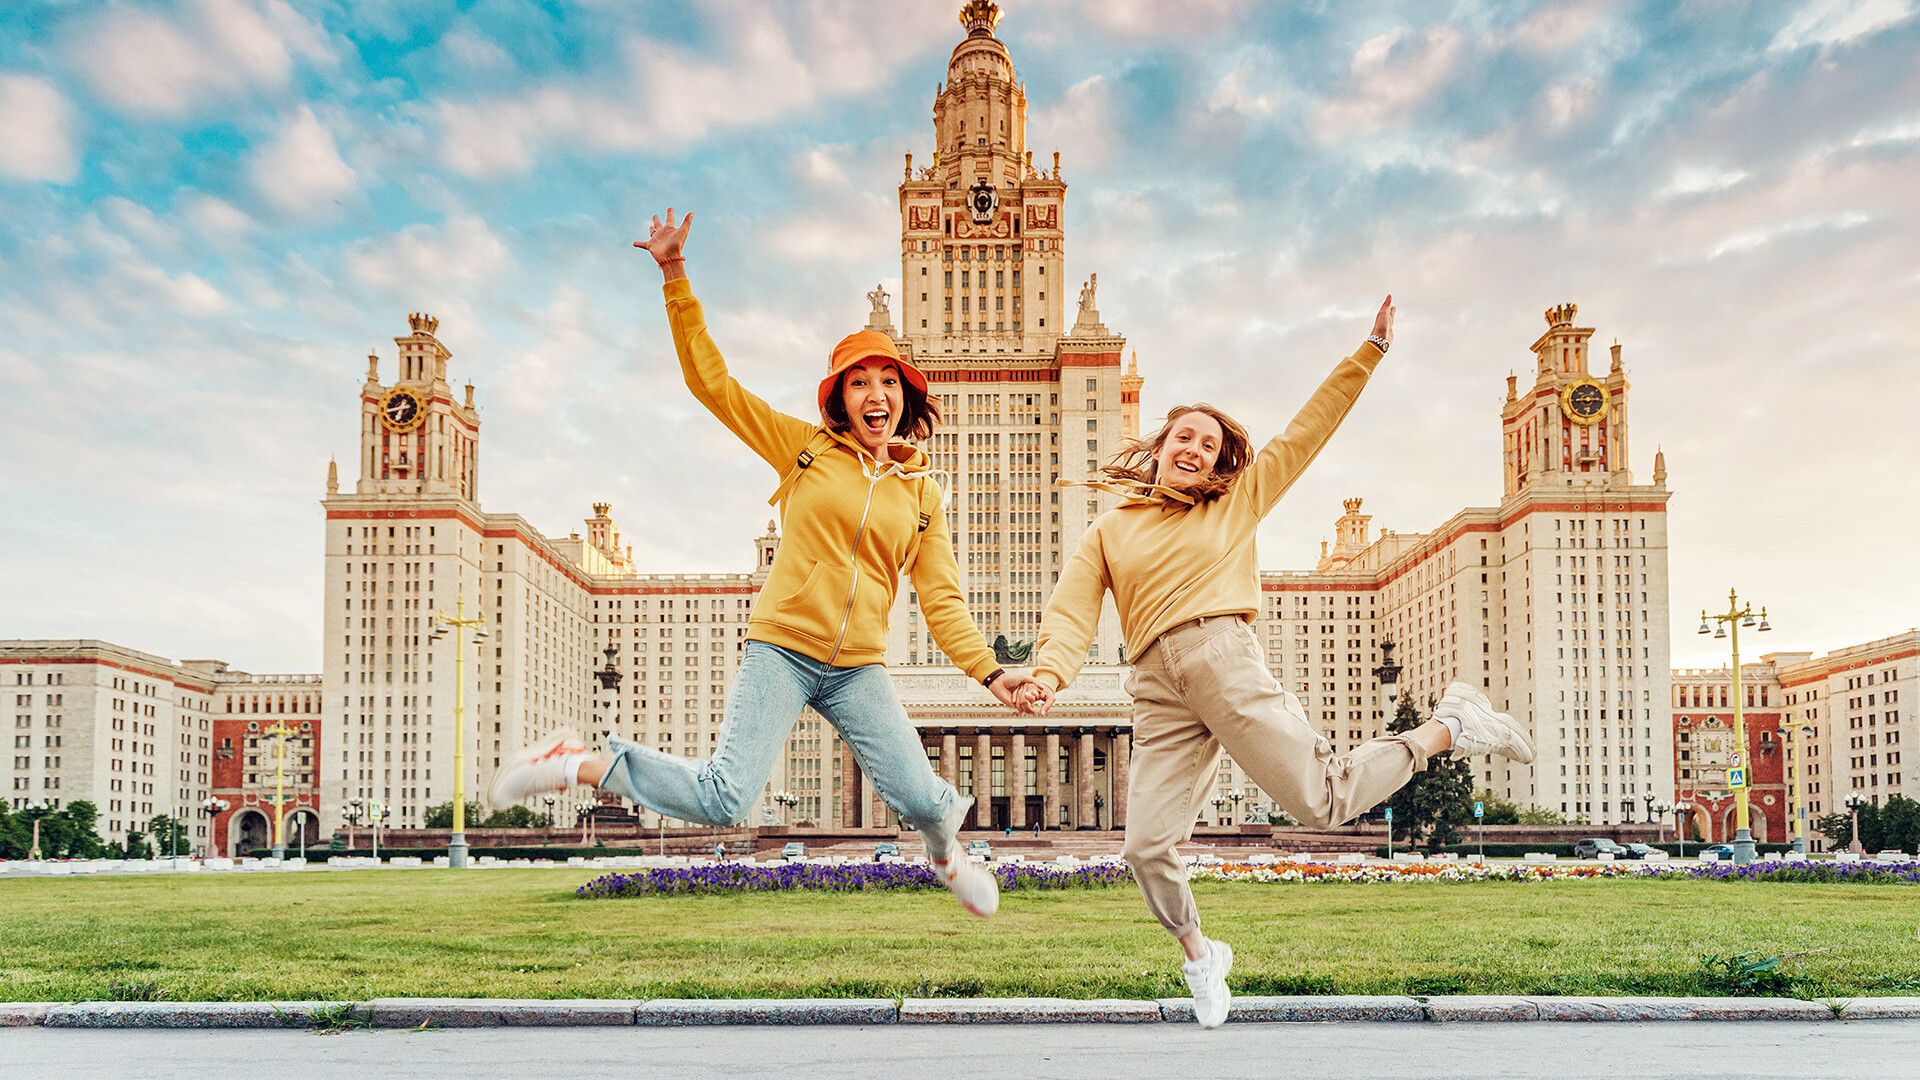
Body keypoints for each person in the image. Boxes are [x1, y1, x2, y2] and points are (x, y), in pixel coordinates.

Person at [489, 208, 1054, 917]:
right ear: (839, 400)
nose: (874, 393)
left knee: (929, 802)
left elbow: (942, 603)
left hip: (858, 667)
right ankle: (574, 763)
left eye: (887, 380)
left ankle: (946, 858)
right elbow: (714, 386)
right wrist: (674, 275)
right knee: (726, 796)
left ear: (905, 394)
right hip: (783, 648)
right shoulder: (806, 449)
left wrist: (996, 676)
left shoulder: (923, 493)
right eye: (858, 382)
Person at [1017, 296, 1534, 1027]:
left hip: (1222, 657)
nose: (1193, 448)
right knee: (1144, 845)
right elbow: (1072, 611)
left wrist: (1370, 352)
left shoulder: (1235, 503)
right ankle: (1200, 954)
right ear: (1158, 444)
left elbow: (1306, 431)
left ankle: (1447, 728)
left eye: (1209, 444)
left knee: (1321, 803)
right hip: (1156, 687)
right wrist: (1047, 675)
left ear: (1221, 461)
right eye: (1183, 437)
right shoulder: (1111, 528)